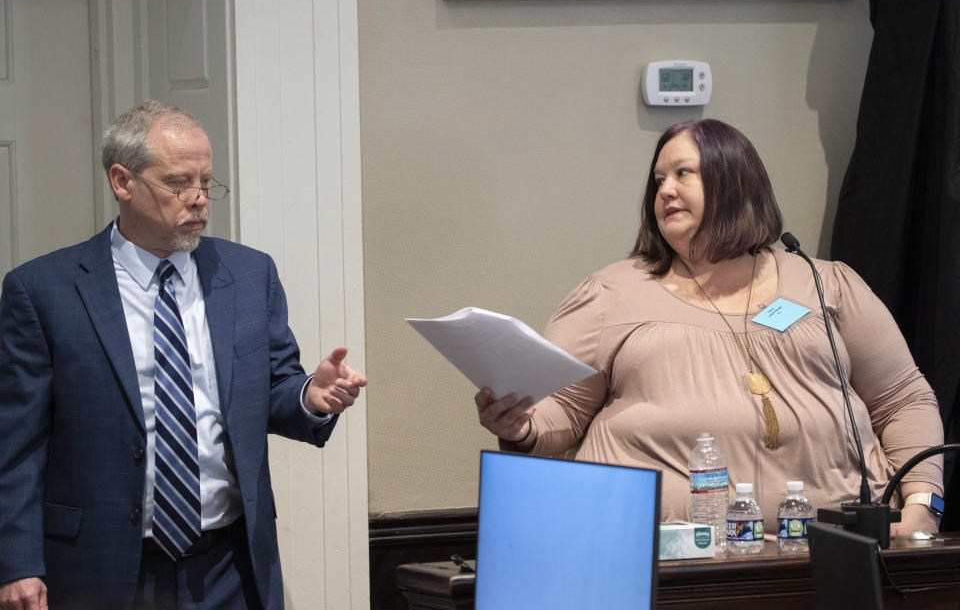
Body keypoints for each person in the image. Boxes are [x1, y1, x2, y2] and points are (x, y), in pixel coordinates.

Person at [475, 119, 943, 537]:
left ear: (737, 184)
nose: (665, 190)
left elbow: (903, 400)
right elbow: (562, 411)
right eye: (658, 180)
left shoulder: (826, 284)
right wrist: (520, 426)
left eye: (684, 173)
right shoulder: (611, 294)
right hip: (666, 556)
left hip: (831, 552)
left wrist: (923, 505)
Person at [0, 101, 367, 609]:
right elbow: (16, 445)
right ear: (122, 181)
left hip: (227, 565)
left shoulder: (247, 275)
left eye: (206, 182)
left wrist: (311, 396)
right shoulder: (43, 291)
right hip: (99, 568)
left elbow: (276, 387)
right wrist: (18, 564)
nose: (198, 200)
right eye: (178, 184)